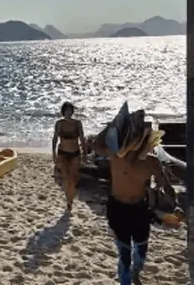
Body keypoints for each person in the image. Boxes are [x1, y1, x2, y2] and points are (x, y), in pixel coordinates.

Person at [88, 119, 177, 285]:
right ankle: (126, 281)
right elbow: (94, 145)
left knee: (141, 251)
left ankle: (136, 273)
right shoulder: (115, 154)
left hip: (140, 210)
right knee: (124, 253)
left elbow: (165, 185)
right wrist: (113, 126)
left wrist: (173, 202)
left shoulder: (151, 162)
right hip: (118, 209)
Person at [52, 102, 85, 213]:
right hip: (63, 153)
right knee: (66, 179)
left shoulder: (77, 123)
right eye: (67, 111)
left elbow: (82, 138)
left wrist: (84, 153)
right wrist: (54, 154)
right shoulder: (59, 124)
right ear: (63, 112)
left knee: (73, 178)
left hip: (75, 153)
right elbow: (55, 139)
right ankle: (69, 201)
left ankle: (70, 199)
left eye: (70, 110)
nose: (69, 113)